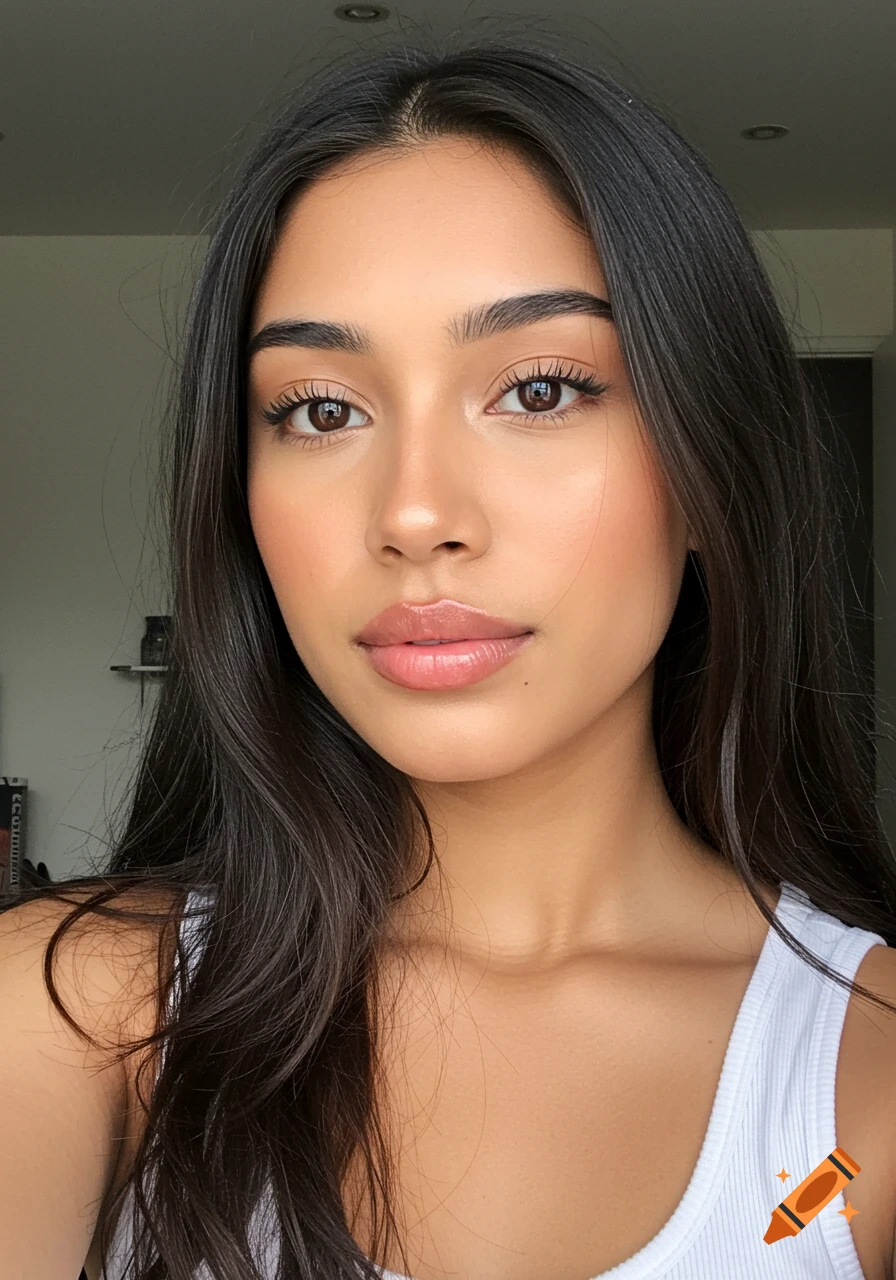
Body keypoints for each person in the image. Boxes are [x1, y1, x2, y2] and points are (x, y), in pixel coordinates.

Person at [2, 37, 896, 1280]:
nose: (414, 512)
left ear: (708, 462)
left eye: (537, 389)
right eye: (321, 408)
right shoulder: (73, 1009)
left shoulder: (865, 1079)